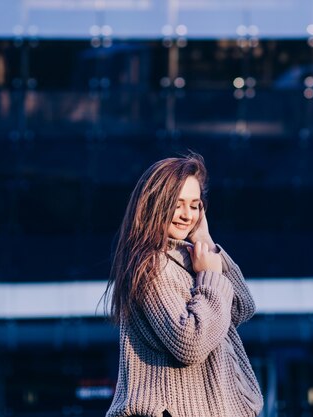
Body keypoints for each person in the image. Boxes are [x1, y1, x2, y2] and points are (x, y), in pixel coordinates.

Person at [103, 153, 263, 417]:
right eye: (177, 204)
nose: (187, 215)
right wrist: (210, 277)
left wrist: (209, 246)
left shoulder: (191, 259)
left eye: (195, 205)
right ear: (156, 204)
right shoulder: (151, 266)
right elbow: (190, 343)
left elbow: (242, 307)